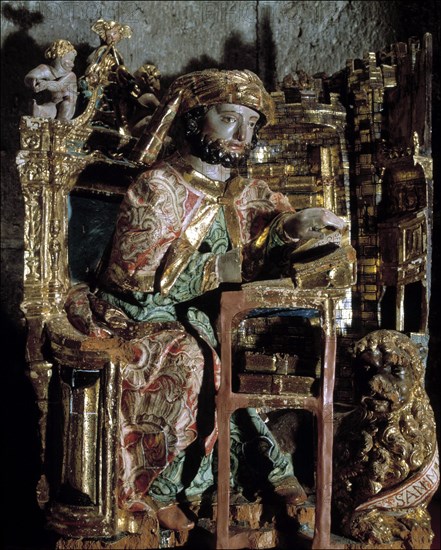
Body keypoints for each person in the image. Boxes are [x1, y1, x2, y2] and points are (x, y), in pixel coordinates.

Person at [65, 68, 346, 531]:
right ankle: (150, 490)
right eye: (229, 118)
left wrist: (296, 228)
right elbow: (132, 274)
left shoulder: (244, 190)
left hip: (206, 315)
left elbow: (268, 231)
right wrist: (227, 269)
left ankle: (235, 478)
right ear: (197, 120)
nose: (242, 135)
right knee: (193, 359)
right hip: (139, 314)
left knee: (236, 360)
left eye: (251, 124)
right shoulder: (159, 186)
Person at [24, 39, 77, 121]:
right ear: (59, 56)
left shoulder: (71, 76)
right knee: (48, 108)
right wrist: (32, 81)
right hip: (53, 103)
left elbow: (58, 86)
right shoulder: (45, 69)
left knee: (65, 106)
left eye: (73, 61)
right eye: (70, 60)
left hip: (67, 104)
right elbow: (29, 76)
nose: (72, 64)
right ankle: (38, 110)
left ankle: (61, 122)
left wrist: (46, 84)